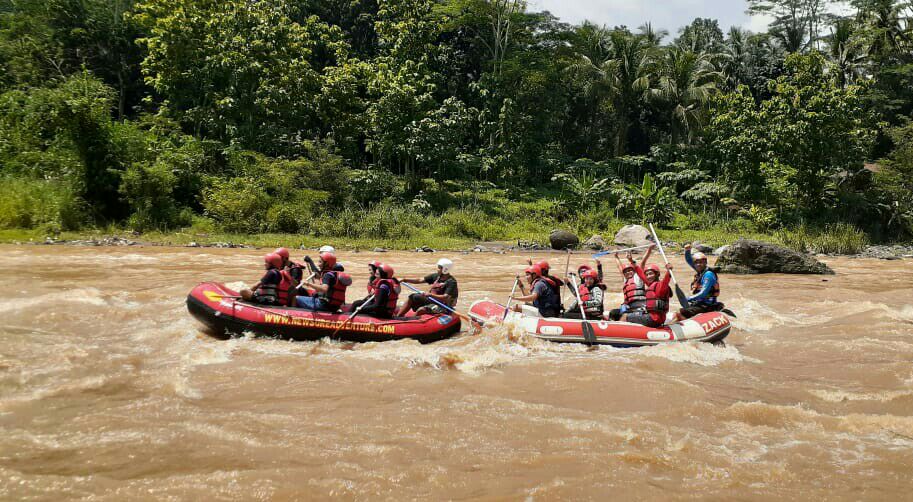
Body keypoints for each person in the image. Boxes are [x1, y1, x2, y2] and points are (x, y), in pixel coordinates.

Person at [670, 244, 724, 321]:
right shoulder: (700, 271)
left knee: (681, 312)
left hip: (708, 305)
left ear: (705, 263)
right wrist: (687, 251)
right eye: (696, 262)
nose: (699, 264)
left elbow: (703, 293)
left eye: (701, 262)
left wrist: (688, 299)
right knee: (680, 310)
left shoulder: (708, 274)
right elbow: (689, 260)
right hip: (699, 303)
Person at [607, 246, 654, 321]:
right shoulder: (625, 279)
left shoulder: (638, 277)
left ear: (634, 271)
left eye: (630, 270)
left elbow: (643, 262)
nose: (628, 272)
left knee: (624, 316)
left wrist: (649, 249)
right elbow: (619, 266)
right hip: (629, 307)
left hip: (639, 307)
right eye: (626, 272)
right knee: (613, 313)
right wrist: (616, 256)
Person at [622, 263, 673, 327]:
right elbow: (641, 274)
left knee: (624, 316)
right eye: (647, 275)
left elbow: (666, 281)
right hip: (655, 318)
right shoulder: (651, 285)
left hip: (653, 318)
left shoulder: (661, 286)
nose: (648, 276)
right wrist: (632, 262)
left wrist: (668, 272)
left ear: (657, 274)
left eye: (651, 274)